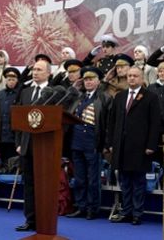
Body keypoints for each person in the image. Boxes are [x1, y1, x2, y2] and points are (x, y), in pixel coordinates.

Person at [108, 66, 161, 225]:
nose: (131, 78)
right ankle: (126, 212)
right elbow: (112, 122)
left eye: (135, 76)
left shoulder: (150, 97)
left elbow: (155, 123)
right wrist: (111, 143)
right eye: (129, 75)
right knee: (124, 182)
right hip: (122, 147)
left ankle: (137, 214)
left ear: (141, 78)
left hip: (140, 147)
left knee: (138, 183)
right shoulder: (120, 97)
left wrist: (151, 144)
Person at [65, 67, 111, 220]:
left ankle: (92, 208)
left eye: (91, 79)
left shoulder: (104, 97)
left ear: (98, 81)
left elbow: (108, 123)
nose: (88, 82)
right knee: (79, 178)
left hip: (93, 142)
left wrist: (106, 144)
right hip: (76, 142)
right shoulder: (78, 98)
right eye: (86, 79)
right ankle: (80, 206)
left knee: (93, 179)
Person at [15, 59, 51, 232]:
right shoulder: (26, 92)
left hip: (46, 147)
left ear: (48, 73)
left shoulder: (54, 93)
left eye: (39, 70)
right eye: (34, 69)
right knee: (28, 184)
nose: (35, 72)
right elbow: (19, 120)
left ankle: (45, 220)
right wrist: (19, 143)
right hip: (27, 146)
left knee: (44, 186)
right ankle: (30, 219)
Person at [0, 67, 21, 162]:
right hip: (1, 135)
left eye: (13, 79)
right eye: (9, 79)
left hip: (14, 136)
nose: (11, 82)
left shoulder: (20, 93)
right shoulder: (0, 94)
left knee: (13, 161)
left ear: (17, 80)